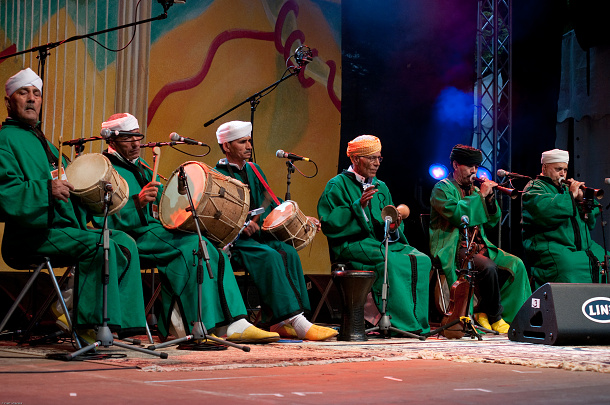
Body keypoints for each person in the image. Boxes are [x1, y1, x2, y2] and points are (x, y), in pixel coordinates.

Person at [94, 113, 280, 343]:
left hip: (157, 232)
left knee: (208, 244)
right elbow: (101, 216)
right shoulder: (103, 169)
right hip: (132, 236)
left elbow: (164, 205)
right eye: (127, 138)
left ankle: (230, 323)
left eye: (138, 137)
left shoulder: (141, 166)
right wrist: (137, 202)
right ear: (111, 141)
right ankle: (200, 326)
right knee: (194, 246)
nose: (135, 144)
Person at [0, 68, 146, 339]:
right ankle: (89, 326)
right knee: (97, 246)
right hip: (32, 235)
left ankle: (122, 326)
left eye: (37, 93)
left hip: (62, 231)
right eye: (24, 93)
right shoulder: (4, 140)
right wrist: (46, 190)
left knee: (124, 241)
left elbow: (73, 187)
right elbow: (4, 193)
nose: (32, 99)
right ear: (9, 101)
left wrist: (97, 194)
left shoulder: (44, 141)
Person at [214, 120, 337, 341]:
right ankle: (294, 321)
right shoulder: (217, 176)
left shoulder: (254, 170)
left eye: (249, 140)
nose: (249, 145)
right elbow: (219, 214)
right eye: (242, 142)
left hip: (257, 239)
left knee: (287, 252)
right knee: (270, 256)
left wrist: (302, 218)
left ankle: (280, 321)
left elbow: (272, 202)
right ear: (226, 146)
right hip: (235, 242)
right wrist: (243, 225)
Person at [317, 135, 431, 335]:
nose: (377, 163)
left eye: (379, 158)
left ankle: (417, 321)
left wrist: (394, 226)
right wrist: (358, 207)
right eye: (371, 158)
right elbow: (329, 223)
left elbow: (384, 225)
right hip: (350, 244)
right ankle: (396, 322)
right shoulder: (338, 185)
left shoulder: (381, 186)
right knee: (391, 260)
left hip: (376, 242)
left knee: (422, 260)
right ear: (355, 159)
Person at [429, 144, 530, 333]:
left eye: (476, 166)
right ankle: (495, 317)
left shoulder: (475, 191)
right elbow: (458, 216)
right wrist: (481, 196)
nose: (474, 171)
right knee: (488, 267)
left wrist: (490, 200)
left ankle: (507, 316)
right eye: (469, 166)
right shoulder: (441, 189)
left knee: (516, 264)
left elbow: (492, 223)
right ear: (456, 164)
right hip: (454, 247)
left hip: (479, 245)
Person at [522, 149, 607, 286]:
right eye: (558, 169)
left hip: (581, 248)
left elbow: (590, 223)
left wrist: (582, 201)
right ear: (544, 167)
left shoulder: (566, 190)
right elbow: (545, 211)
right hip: (553, 247)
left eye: (565, 170)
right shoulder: (534, 188)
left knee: (606, 261)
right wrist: (571, 196)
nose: (563, 173)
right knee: (569, 268)